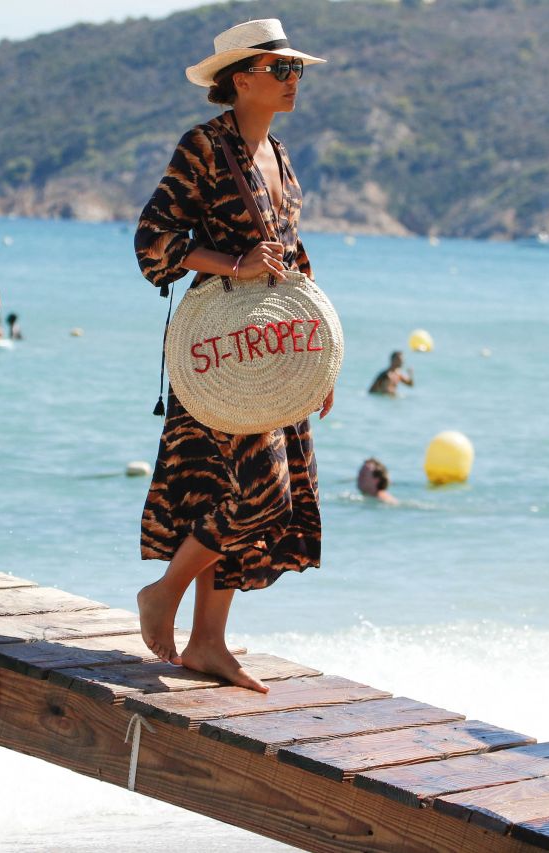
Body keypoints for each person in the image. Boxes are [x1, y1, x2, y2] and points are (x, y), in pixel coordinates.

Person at [132, 19, 330, 693]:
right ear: (242, 77)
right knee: (262, 492)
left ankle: (207, 640)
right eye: (282, 69)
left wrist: (317, 360)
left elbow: (295, 260)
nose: (293, 80)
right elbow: (154, 239)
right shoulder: (204, 147)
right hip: (217, 348)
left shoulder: (279, 155)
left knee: (224, 493)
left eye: (297, 69)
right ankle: (164, 592)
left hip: (272, 349)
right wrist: (233, 263)